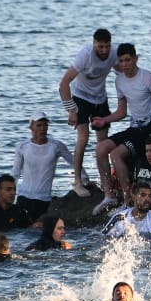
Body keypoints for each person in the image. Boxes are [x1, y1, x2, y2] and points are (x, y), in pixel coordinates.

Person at [93, 43, 151, 203]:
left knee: (116, 154)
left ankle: (128, 199)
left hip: (150, 126)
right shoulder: (119, 81)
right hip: (134, 127)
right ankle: (109, 195)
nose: (124, 64)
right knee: (101, 148)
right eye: (121, 61)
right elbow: (122, 112)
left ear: (135, 59)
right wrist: (104, 120)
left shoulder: (147, 77)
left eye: (128, 60)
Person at [57, 28, 117, 197]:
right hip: (81, 97)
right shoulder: (85, 55)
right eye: (100, 47)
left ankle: (106, 181)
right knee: (83, 138)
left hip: (100, 98)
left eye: (107, 46)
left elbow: (122, 71)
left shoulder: (114, 53)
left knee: (103, 142)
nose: (104, 50)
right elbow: (64, 84)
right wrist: (71, 110)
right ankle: (77, 181)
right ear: (94, 44)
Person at [11, 114, 74, 218]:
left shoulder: (56, 146)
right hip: (24, 196)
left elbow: (74, 163)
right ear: (31, 127)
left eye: (45, 125)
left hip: (44, 199)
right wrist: (10, 195)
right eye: (39, 125)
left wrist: (85, 180)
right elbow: (15, 172)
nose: (43, 129)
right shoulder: (22, 146)